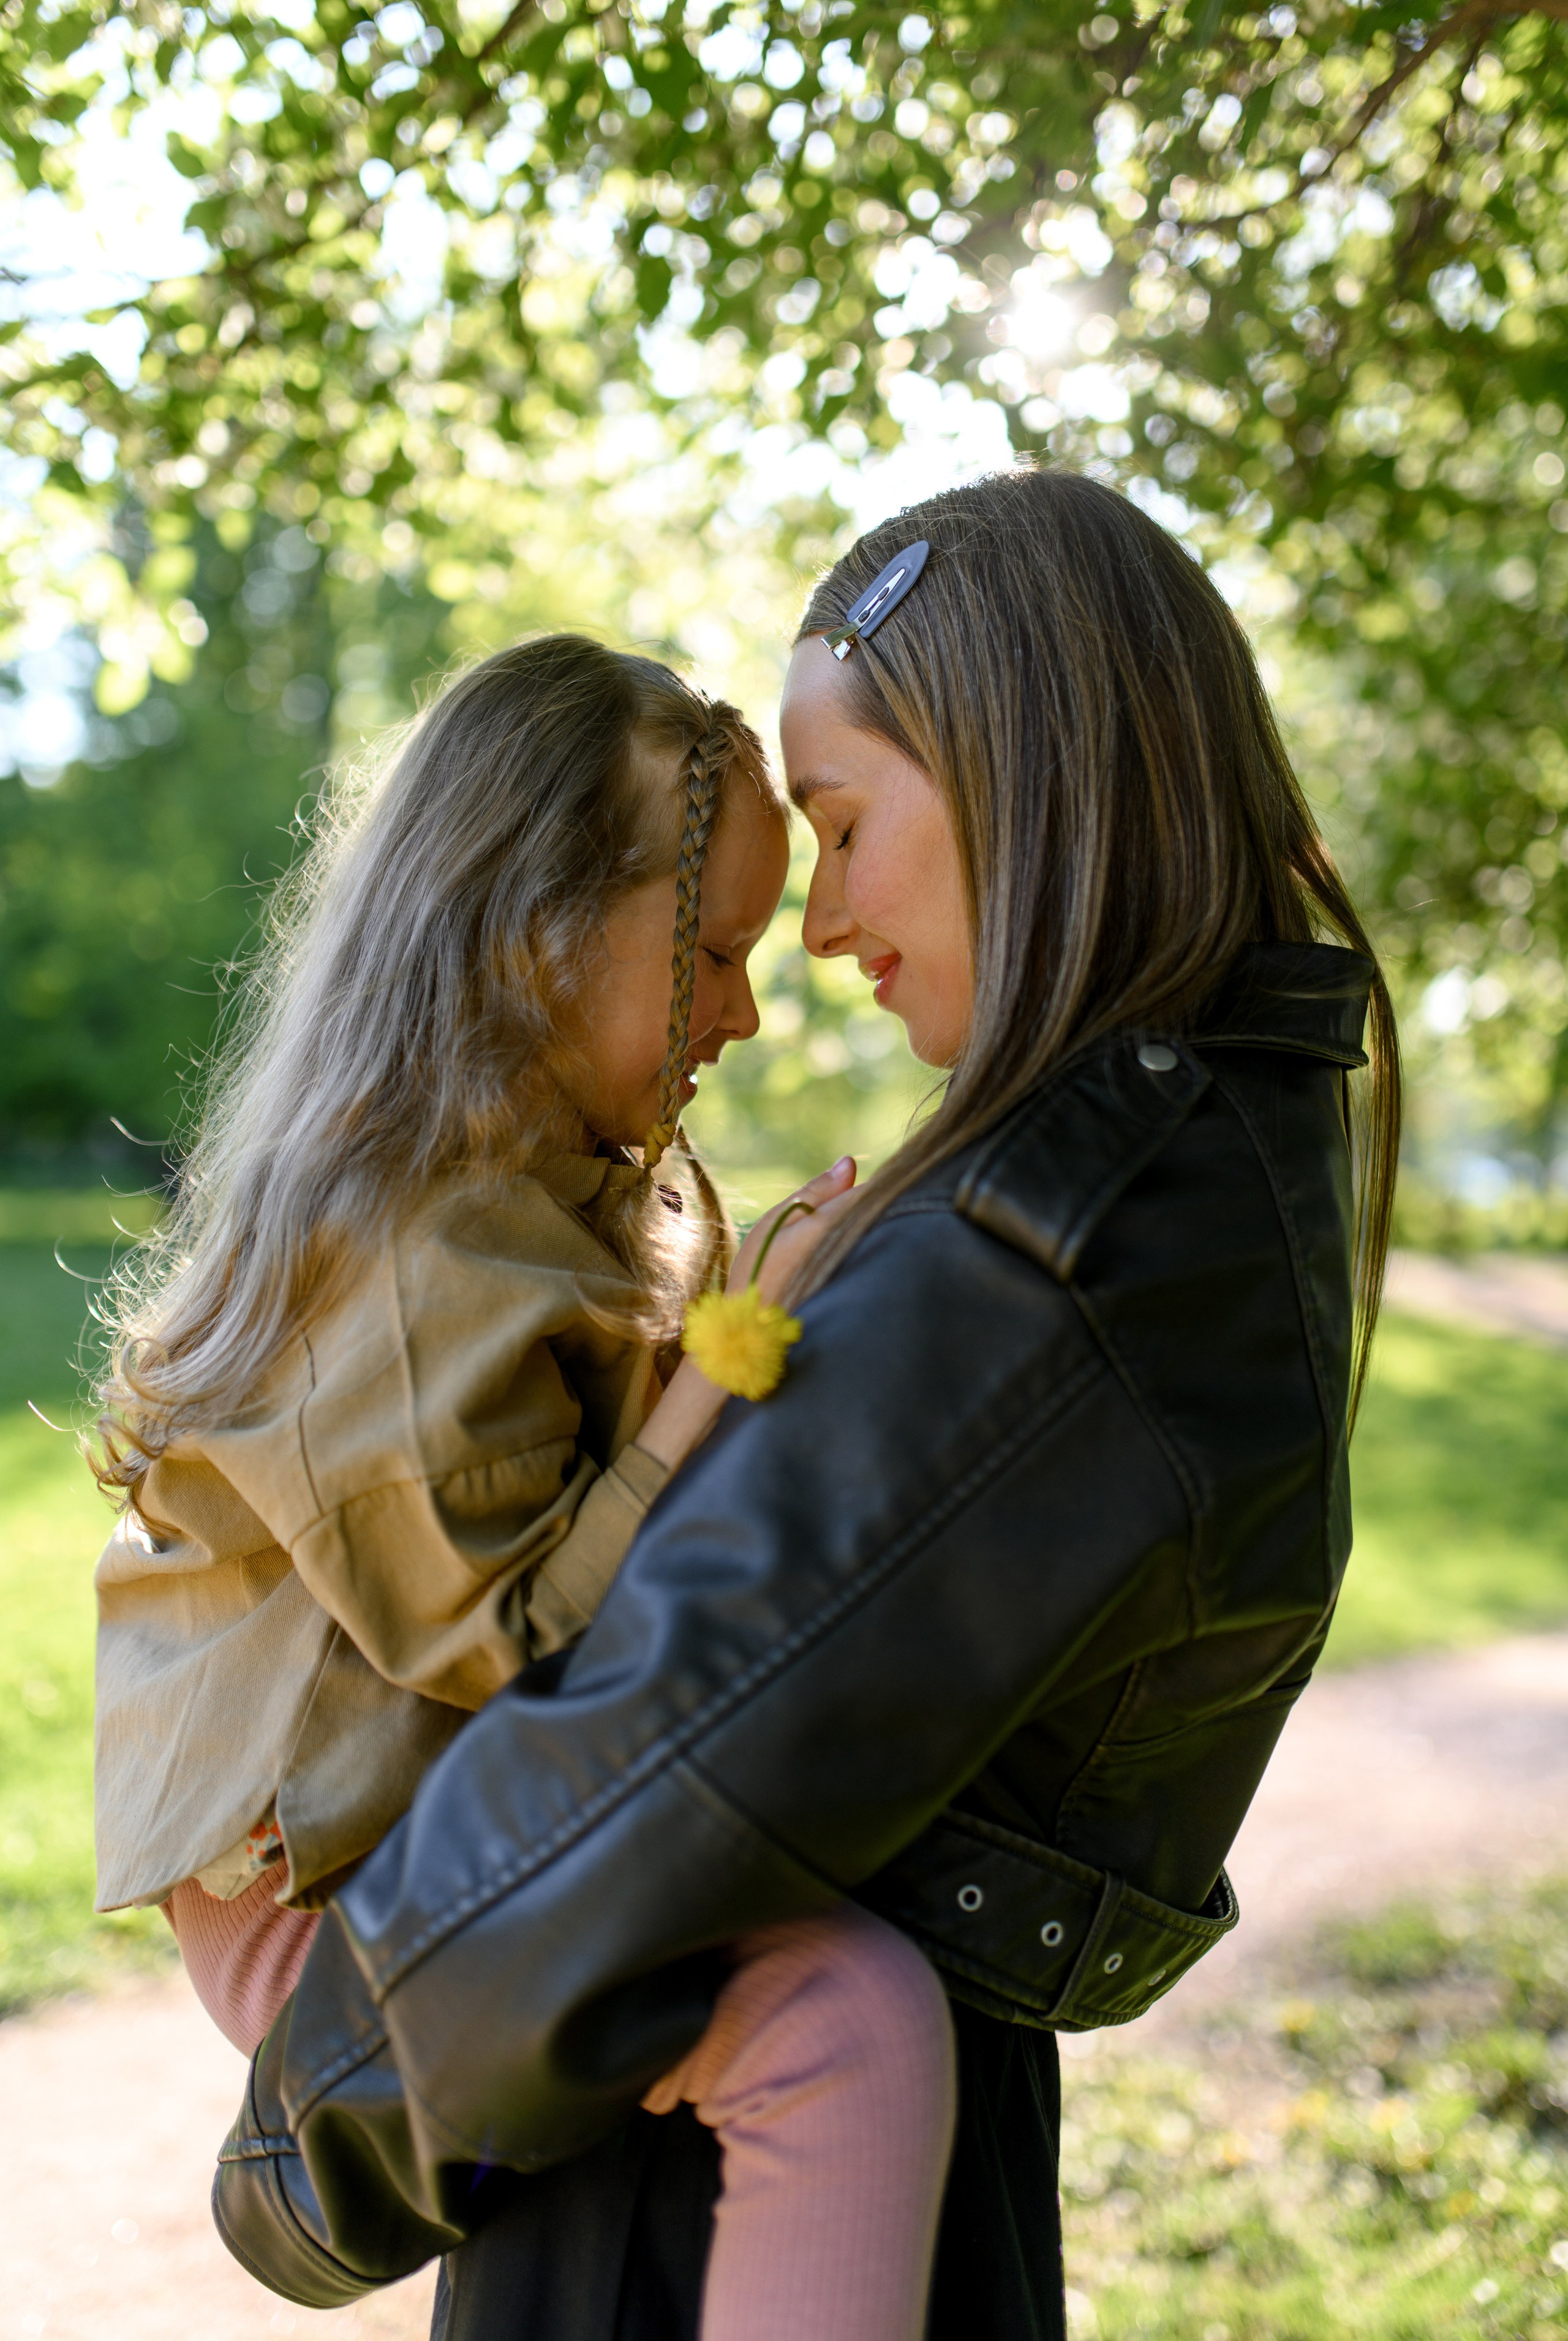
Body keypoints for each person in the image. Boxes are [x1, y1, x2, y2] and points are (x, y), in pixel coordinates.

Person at [208, 469, 1401, 2341]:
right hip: (766, 2140)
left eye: (841, 831)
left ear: (1025, 773)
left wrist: (304, 2166)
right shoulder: (1208, 1157)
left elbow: (642, 1771)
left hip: (685, 2198)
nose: (825, 937)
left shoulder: (1061, 1241)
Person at [89, 635, 960, 2341]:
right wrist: (721, 1377)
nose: (746, 1011)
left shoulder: (531, 1194)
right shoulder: (417, 1256)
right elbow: (530, 1653)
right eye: (712, 954)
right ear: (537, 931)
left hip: (417, 1822)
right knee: (842, 2020)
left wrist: (736, 1309)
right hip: (330, 1893)